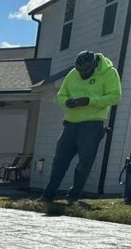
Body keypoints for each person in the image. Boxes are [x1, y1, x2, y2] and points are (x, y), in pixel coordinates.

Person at [42, 51, 122, 204]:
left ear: (94, 64)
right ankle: (48, 195)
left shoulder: (109, 73)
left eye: (86, 70)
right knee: (59, 160)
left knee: (84, 163)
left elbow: (115, 97)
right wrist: (66, 102)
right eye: (80, 71)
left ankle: (73, 197)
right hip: (70, 124)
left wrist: (89, 101)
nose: (83, 74)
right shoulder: (73, 74)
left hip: (92, 125)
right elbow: (61, 94)